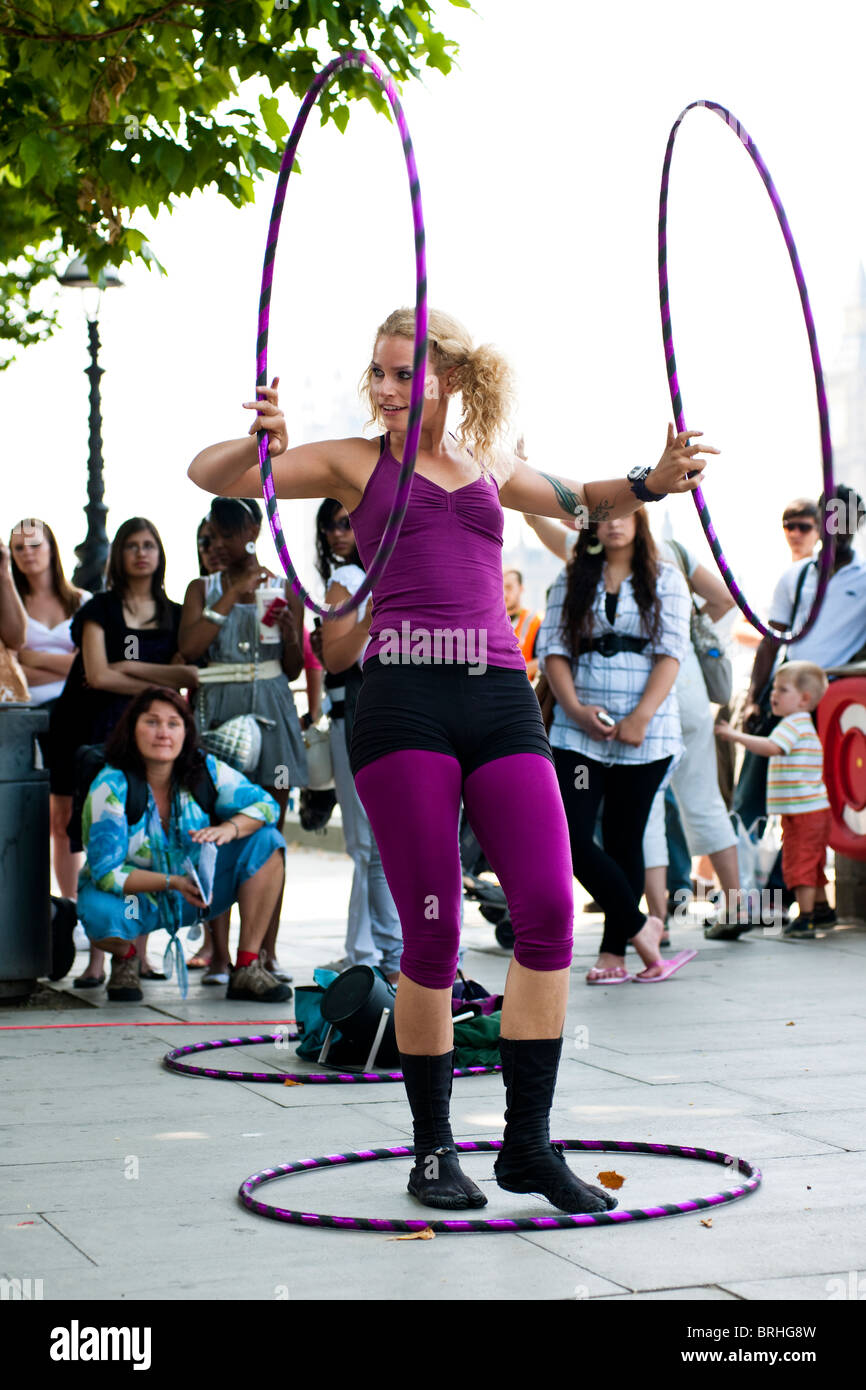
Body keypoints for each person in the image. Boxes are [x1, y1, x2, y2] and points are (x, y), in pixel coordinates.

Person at [188, 305, 714, 1216]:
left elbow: (584, 498)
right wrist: (255, 442)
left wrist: (651, 478)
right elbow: (209, 476)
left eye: (404, 374)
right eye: (379, 374)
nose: (386, 390)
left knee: (549, 909)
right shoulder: (356, 460)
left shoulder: (490, 461)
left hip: (498, 697)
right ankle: (434, 1151)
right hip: (403, 702)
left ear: (451, 379)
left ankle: (527, 1146)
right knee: (429, 929)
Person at [536, 508, 692, 983]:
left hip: (647, 730)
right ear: (590, 527)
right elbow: (553, 650)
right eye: (603, 517)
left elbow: (672, 651)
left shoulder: (666, 576)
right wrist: (576, 709)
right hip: (577, 728)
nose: (615, 523)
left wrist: (641, 716)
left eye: (625, 515)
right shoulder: (572, 577)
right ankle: (640, 926)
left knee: (626, 836)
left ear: (640, 522)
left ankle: (613, 952)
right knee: (570, 838)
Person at [49, 516, 197, 987]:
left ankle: (138, 952)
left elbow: (188, 676)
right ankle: (98, 956)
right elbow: (97, 675)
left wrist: (127, 664)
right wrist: (157, 678)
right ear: (118, 555)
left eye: (150, 544)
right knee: (102, 841)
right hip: (94, 730)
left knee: (148, 837)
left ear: (160, 553)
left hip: (150, 735)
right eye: (132, 545)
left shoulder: (174, 613)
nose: (141, 553)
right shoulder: (100, 610)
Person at [77, 686, 290, 1002]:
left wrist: (230, 829)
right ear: (132, 729)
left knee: (268, 842)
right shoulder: (111, 784)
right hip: (137, 899)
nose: (163, 733)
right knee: (99, 912)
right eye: (151, 722)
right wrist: (171, 882)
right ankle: (126, 957)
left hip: (194, 896)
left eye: (173, 723)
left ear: (186, 732)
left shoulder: (204, 769)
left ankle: (246, 967)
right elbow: (107, 873)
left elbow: (267, 806)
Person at [177, 495, 308, 987]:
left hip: (273, 710)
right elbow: (188, 649)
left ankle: (263, 952)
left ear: (254, 530)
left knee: (270, 824)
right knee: (214, 824)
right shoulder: (201, 587)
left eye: (230, 533)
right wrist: (231, 596)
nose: (221, 543)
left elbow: (294, 667)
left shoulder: (285, 584)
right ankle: (216, 952)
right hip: (218, 711)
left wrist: (293, 633)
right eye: (213, 533)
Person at [735, 484, 866, 862]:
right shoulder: (796, 577)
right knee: (754, 789)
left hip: (832, 699)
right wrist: (753, 698)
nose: (837, 524)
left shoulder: (862, 576)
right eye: (830, 515)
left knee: (816, 793)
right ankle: (747, 889)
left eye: (846, 516)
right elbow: (771, 639)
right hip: (786, 694)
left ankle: (794, 889)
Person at [313, 497, 402, 982]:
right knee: (367, 843)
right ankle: (370, 957)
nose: (339, 533)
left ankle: (380, 954)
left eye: (347, 523)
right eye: (331, 527)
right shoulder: (345, 582)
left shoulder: (405, 562)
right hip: (359, 712)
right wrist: (374, 610)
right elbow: (335, 658)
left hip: (409, 710)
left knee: (392, 842)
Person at [716, 662, 832, 940]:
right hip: (812, 810)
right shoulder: (802, 724)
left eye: (782, 689)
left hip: (803, 811)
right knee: (812, 862)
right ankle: (822, 909)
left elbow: (770, 747)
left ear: (804, 698)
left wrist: (733, 735)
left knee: (799, 863)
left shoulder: (792, 723)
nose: (773, 694)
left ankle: (806, 920)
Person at [9, 519, 91, 906]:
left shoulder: (83, 602)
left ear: (51, 547)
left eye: (34, 545)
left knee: (70, 816)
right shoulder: (10, 606)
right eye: (18, 548)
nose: (27, 553)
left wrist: (32, 657)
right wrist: (65, 662)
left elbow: (90, 664)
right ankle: (41, 906)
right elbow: (11, 664)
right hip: (24, 713)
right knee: (33, 816)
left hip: (75, 715)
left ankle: (74, 904)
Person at [503, 568, 542, 682]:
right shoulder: (490, 623)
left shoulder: (535, 621)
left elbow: (544, 659)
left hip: (526, 691)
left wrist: (510, 676)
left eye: (509, 587)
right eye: (500, 587)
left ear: (521, 589)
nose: (504, 593)